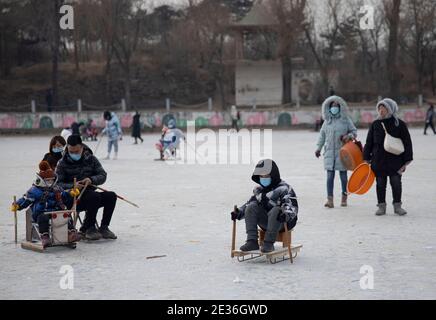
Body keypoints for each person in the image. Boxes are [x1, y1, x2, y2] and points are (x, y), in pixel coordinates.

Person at [56, 135, 118, 240]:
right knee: (94, 197)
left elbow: (103, 175)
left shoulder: (91, 159)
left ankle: (104, 227)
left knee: (111, 196)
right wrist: (73, 186)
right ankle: (88, 228)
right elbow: (57, 185)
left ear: (82, 147)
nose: (73, 154)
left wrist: (91, 179)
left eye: (76, 152)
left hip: (90, 193)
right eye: (71, 152)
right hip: (72, 197)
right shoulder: (62, 163)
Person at [231, 159, 298, 253]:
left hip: (282, 223)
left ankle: (269, 243)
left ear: (273, 175)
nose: (264, 178)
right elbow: (249, 204)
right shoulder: (259, 190)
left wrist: (286, 214)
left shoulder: (284, 188)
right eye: (261, 176)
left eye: (266, 176)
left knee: (276, 210)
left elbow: (292, 207)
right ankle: (252, 241)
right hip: (266, 222)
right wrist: (239, 212)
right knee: (252, 206)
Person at [11, 161, 81, 248]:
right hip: (41, 212)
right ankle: (45, 236)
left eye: (51, 180)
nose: (50, 182)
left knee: (65, 214)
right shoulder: (34, 190)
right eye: (47, 180)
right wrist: (17, 205)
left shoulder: (57, 188)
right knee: (43, 217)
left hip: (56, 211)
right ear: (41, 180)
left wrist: (71, 193)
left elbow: (63, 195)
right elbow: (26, 199)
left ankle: (71, 233)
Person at [363, 98, 413, 216]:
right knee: (380, 184)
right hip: (378, 160)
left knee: (396, 183)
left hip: (395, 161)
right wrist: (366, 157)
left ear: (390, 109)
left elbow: (407, 142)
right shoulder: (375, 124)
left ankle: (397, 206)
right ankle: (381, 206)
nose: (381, 110)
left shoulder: (399, 124)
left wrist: (406, 161)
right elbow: (369, 142)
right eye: (379, 108)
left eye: (384, 108)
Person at [315, 95, 357, 208]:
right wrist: (318, 148)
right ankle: (330, 200)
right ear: (328, 108)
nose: (334, 107)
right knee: (329, 177)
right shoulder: (326, 122)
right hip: (329, 153)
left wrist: (348, 136)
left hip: (343, 153)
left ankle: (344, 197)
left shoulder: (345, 120)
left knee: (343, 177)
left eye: (336, 106)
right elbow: (322, 137)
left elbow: (354, 132)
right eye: (332, 106)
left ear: (340, 107)